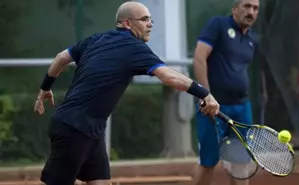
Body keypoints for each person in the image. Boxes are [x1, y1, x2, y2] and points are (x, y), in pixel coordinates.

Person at [33, 2, 220, 185]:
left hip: (90, 130)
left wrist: (45, 87)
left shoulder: (95, 39)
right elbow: (168, 76)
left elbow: (61, 58)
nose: (150, 24)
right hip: (73, 128)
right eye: (145, 19)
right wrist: (204, 93)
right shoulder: (135, 48)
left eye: (151, 20)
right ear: (127, 23)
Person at [192, 0, 260, 185]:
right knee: (208, 161)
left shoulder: (252, 40)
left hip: (241, 107)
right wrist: (206, 96)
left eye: (255, 8)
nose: (251, 12)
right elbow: (199, 57)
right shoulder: (218, 25)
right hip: (213, 107)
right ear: (235, 9)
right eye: (246, 6)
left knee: (240, 162)